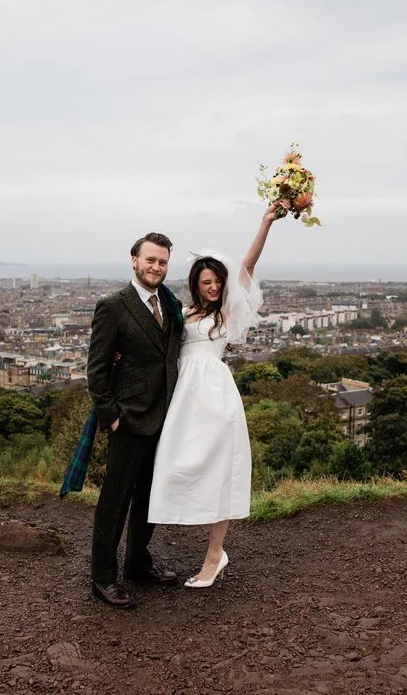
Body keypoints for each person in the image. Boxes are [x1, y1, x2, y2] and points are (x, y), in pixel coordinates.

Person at [148, 204, 277, 587]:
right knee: (176, 466)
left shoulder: (228, 314)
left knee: (219, 473)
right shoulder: (182, 312)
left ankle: (213, 555)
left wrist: (266, 221)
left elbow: (248, 268)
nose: (214, 287)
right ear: (195, 284)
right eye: (206, 282)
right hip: (183, 398)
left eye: (217, 281)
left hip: (216, 399)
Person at [87, 232, 183, 608]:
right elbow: (96, 370)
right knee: (115, 500)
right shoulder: (112, 305)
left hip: (164, 417)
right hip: (128, 420)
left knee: (150, 497)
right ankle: (103, 576)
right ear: (134, 260)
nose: (156, 267)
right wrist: (111, 418)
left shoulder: (170, 302)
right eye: (150, 260)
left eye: (162, 262)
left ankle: (138, 562)